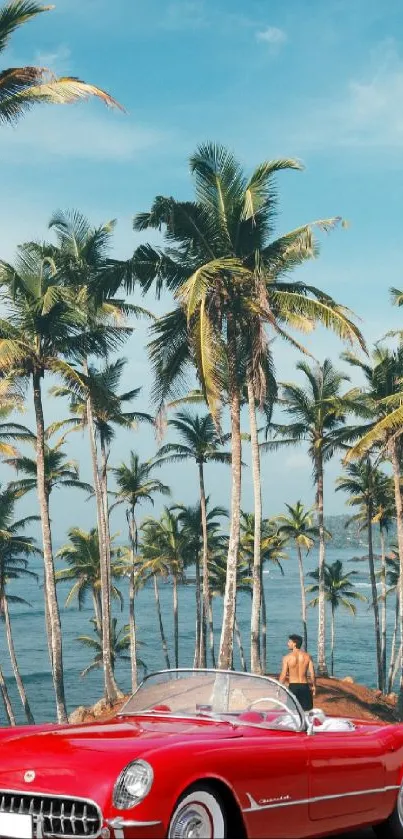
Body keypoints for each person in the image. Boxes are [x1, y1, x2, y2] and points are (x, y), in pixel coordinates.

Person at [278, 633, 316, 711]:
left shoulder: (287, 658)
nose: (288, 644)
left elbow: (283, 675)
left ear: (294, 644)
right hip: (304, 687)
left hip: (293, 687)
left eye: (289, 642)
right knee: (307, 712)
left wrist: (279, 687)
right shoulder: (307, 656)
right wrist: (314, 686)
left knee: (292, 711)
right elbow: (312, 674)